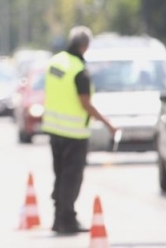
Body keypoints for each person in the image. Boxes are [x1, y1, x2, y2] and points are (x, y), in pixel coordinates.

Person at [41, 26, 116, 234]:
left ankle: (59, 219)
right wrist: (107, 123)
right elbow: (85, 103)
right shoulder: (79, 71)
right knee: (71, 178)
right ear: (84, 46)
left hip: (54, 129)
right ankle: (67, 220)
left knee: (60, 175)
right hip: (74, 133)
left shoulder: (54, 62)